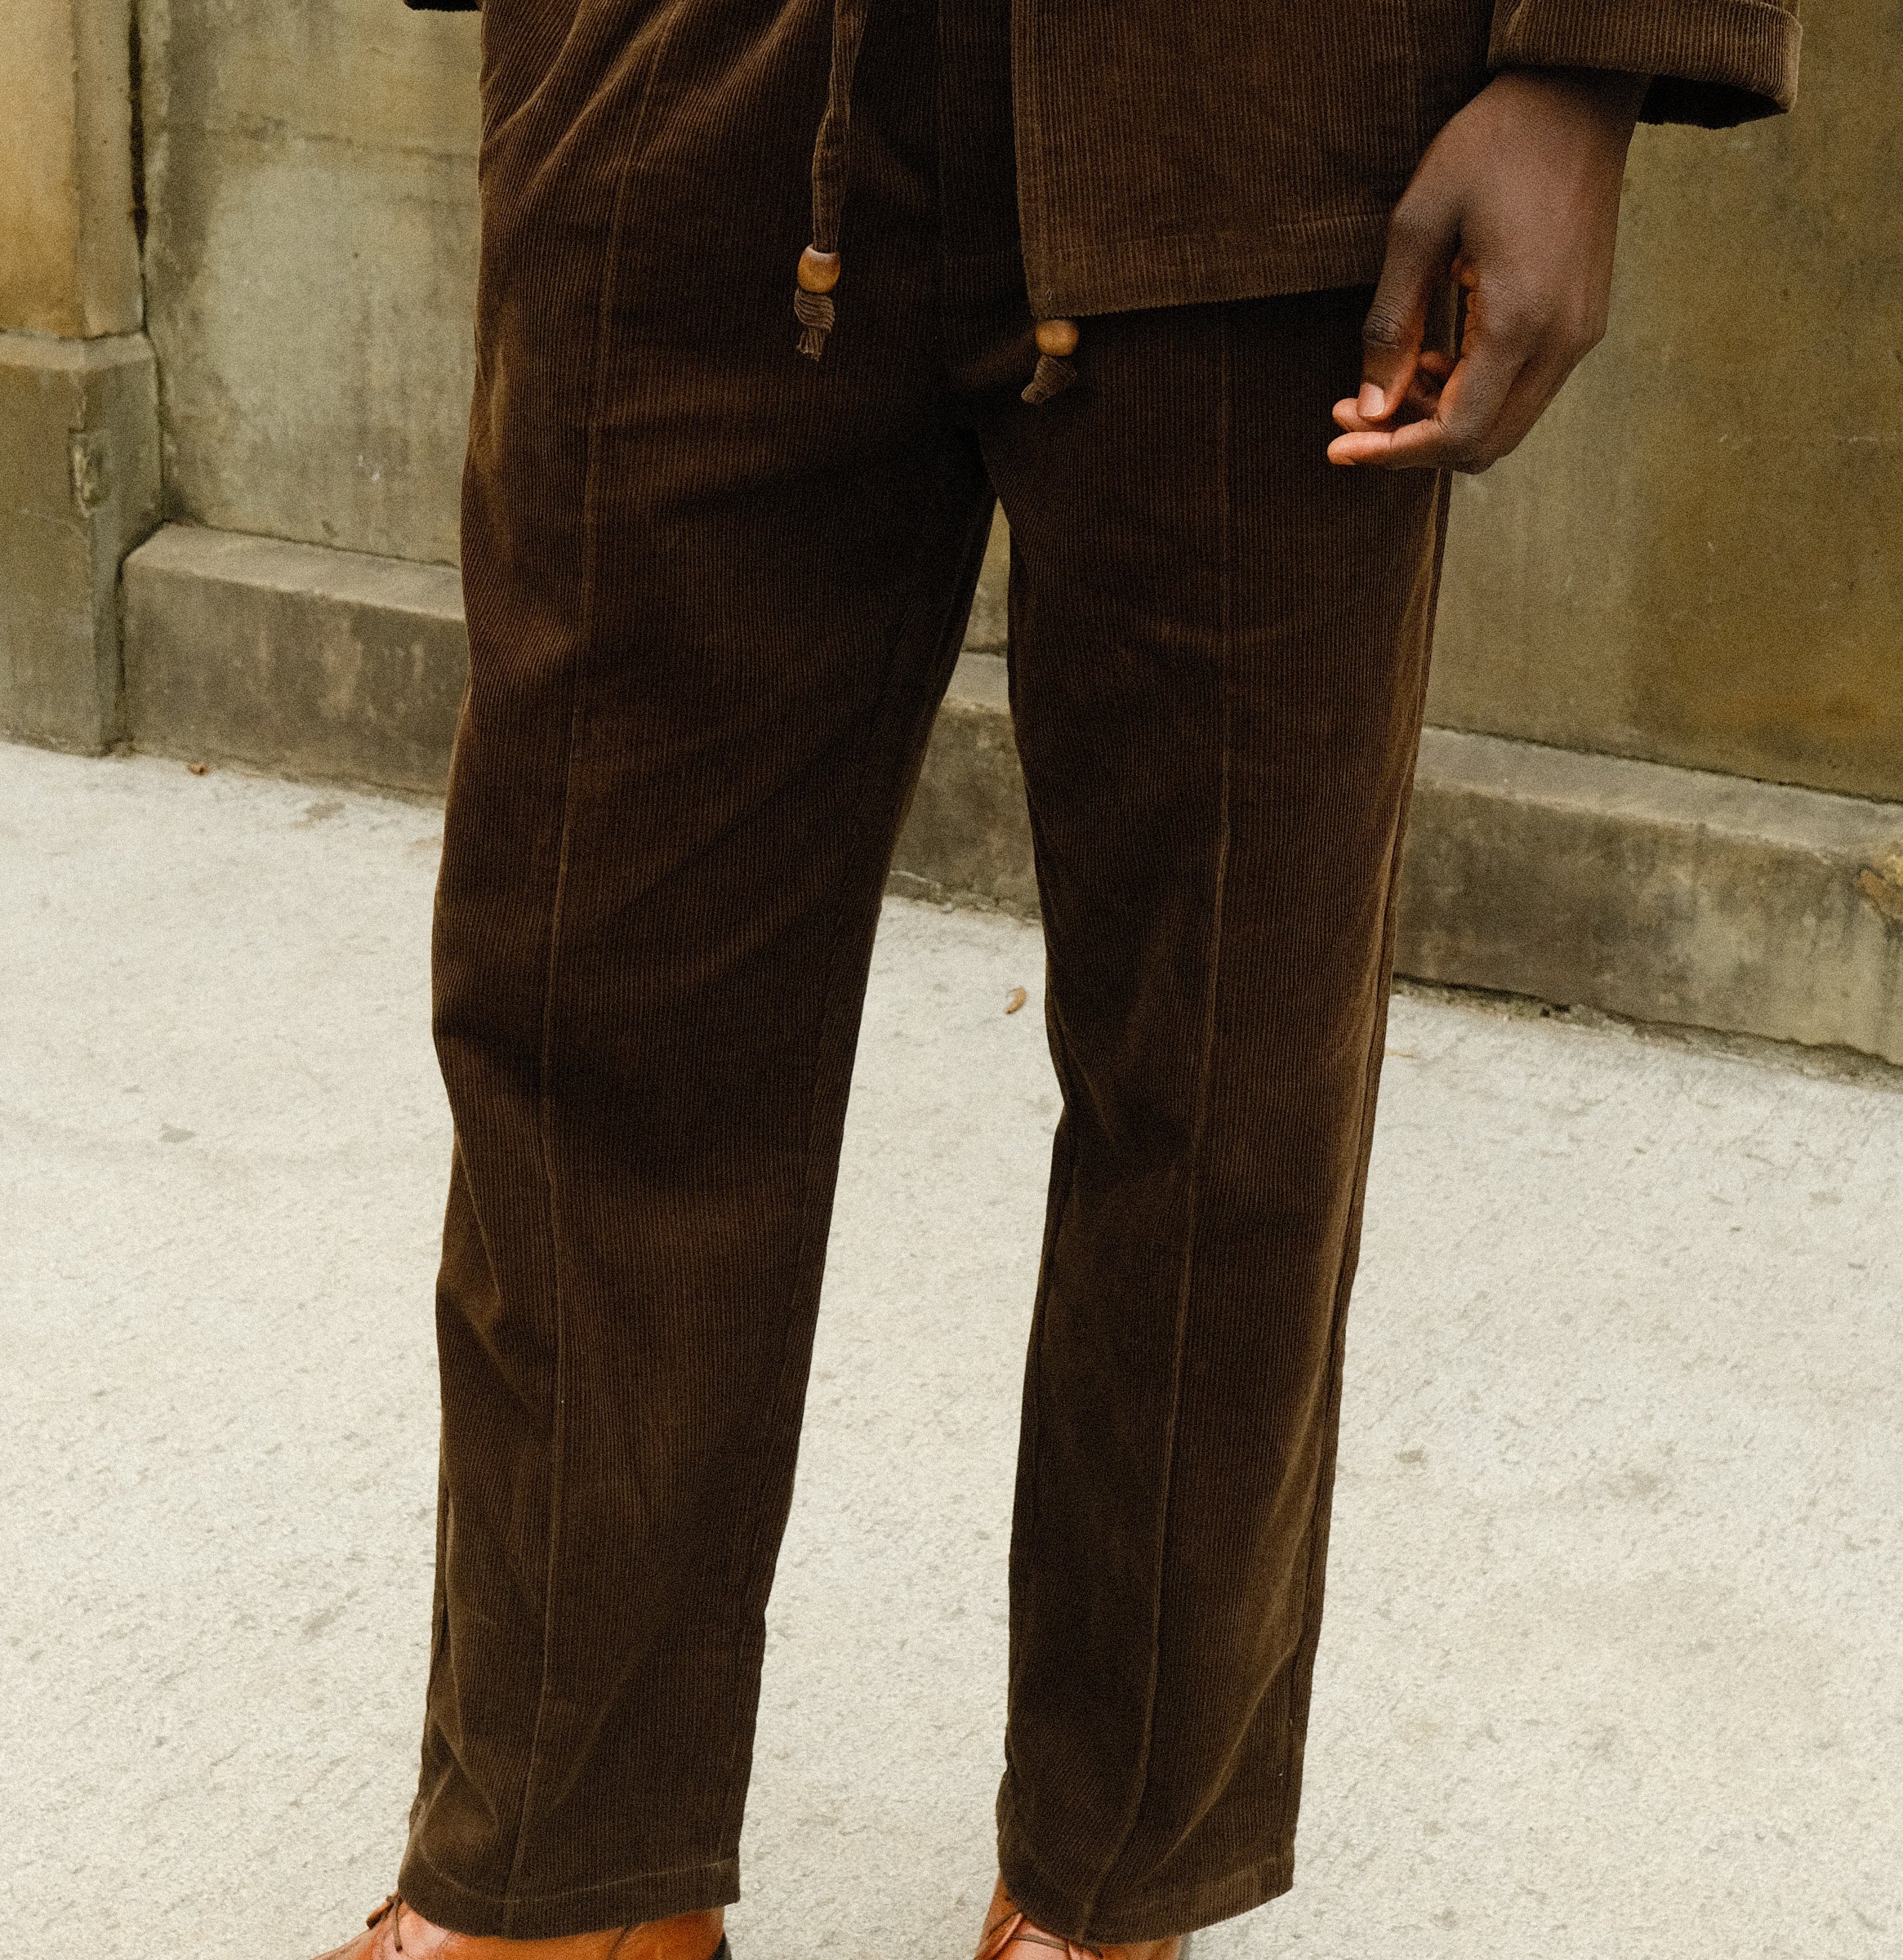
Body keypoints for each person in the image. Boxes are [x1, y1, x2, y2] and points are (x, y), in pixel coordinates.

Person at [314, 2, 1799, 1955]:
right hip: (690, 81)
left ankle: (1115, 1888)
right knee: (592, 999)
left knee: (1224, 1066)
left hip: (1263, 119)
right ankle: (559, 1882)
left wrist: (1594, 61)